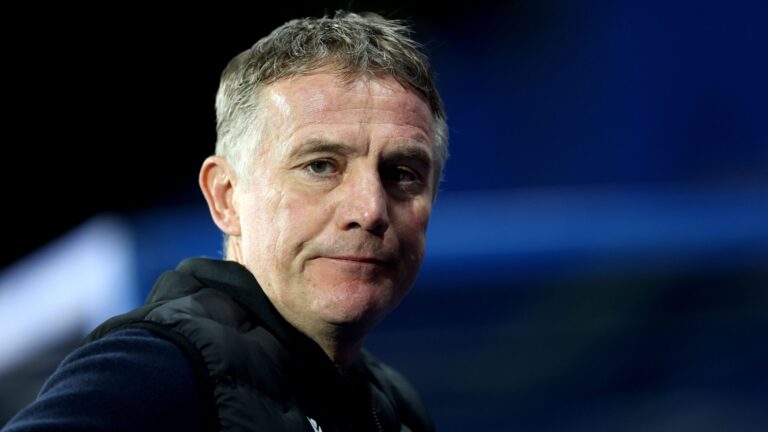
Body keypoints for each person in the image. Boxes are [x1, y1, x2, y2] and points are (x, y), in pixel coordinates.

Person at [4, 10, 447, 432]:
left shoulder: (397, 408)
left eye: (401, 174)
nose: (370, 210)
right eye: (320, 166)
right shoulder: (160, 368)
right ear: (226, 197)